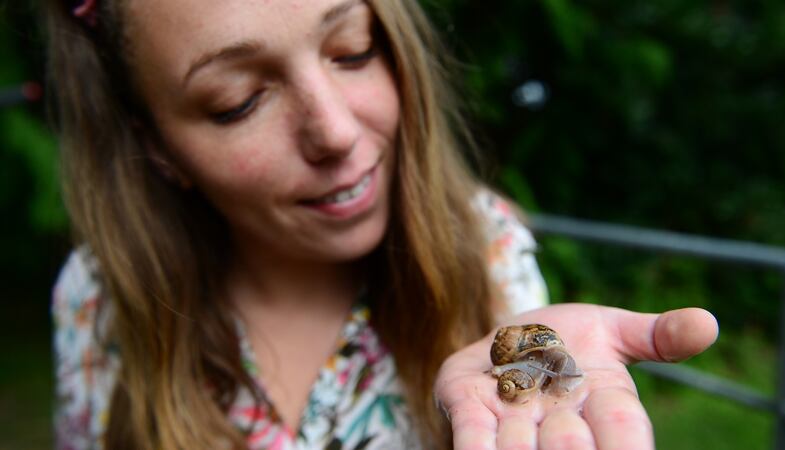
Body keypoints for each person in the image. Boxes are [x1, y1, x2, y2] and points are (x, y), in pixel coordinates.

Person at [47, 0, 719, 449]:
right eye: (238, 101)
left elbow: (534, 381)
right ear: (159, 147)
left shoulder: (488, 255)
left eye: (353, 50)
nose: (335, 133)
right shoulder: (96, 300)